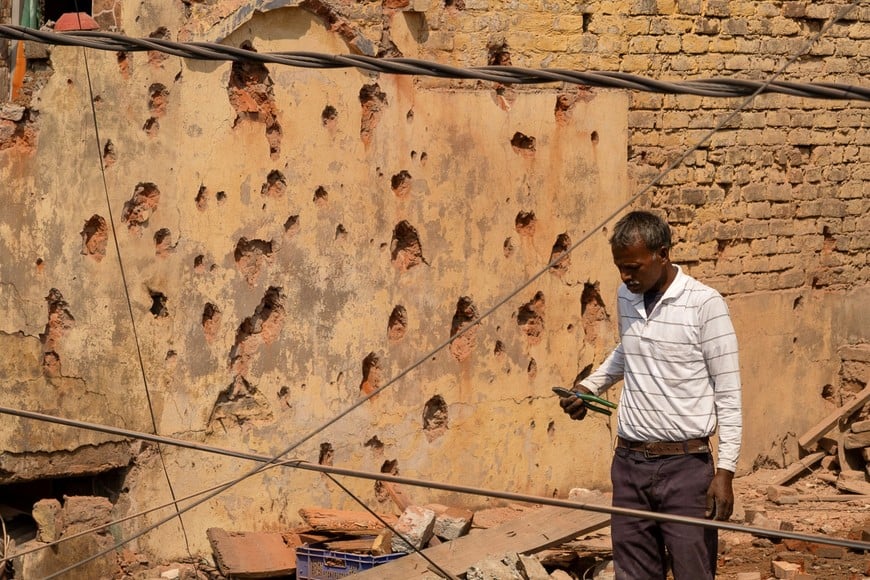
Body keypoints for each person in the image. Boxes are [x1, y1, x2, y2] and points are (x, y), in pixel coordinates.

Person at [559, 210, 742, 580]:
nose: (626, 277)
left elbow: (729, 393)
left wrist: (725, 471)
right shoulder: (627, 296)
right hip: (629, 465)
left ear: (663, 254)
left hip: (686, 468)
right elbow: (628, 350)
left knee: (693, 571)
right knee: (634, 573)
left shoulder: (705, 305)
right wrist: (588, 388)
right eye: (620, 268)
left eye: (634, 267)